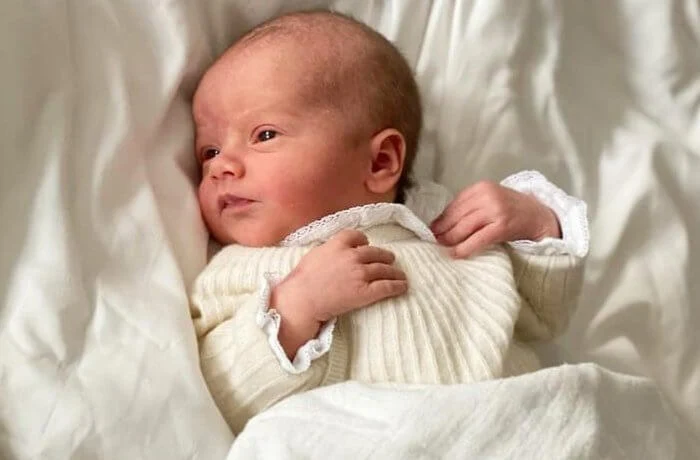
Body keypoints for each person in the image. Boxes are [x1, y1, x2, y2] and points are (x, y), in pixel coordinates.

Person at [189, 10, 588, 434]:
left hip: (507, 430)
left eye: (264, 135)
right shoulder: (238, 274)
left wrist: (535, 223)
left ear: (380, 161)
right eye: (209, 151)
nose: (222, 167)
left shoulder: (448, 235)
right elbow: (219, 395)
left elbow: (544, 318)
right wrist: (294, 310)